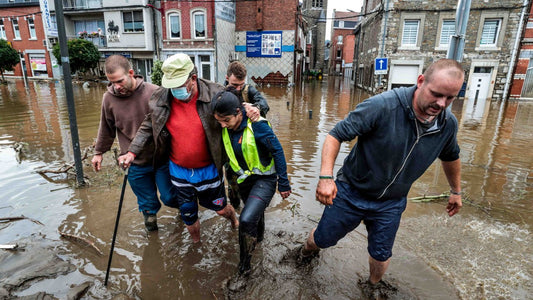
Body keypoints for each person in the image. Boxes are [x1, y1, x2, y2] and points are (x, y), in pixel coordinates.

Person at [300, 59, 464, 295]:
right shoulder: (383, 106)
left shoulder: (447, 124)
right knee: (322, 240)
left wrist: (456, 191)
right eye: (436, 94)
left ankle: (372, 287)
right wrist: (326, 177)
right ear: (420, 82)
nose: (441, 104)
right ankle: (305, 252)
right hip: (351, 191)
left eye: (450, 98)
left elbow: (451, 156)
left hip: (391, 202)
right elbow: (336, 135)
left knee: (381, 254)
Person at [119, 53, 238, 243]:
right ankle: (196, 246)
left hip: (209, 168)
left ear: (193, 78)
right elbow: (148, 125)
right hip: (179, 171)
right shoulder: (160, 98)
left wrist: (252, 109)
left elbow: (237, 113)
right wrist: (131, 152)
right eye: (171, 86)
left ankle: (234, 221)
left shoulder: (216, 93)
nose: (175, 91)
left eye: (179, 86)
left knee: (221, 209)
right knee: (189, 219)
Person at [211, 91, 291, 280]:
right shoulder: (226, 126)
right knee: (254, 214)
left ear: (239, 112)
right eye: (219, 121)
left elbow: (278, 151)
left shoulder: (258, 126)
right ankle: (260, 240)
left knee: (246, 219)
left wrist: (284, 182)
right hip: (244, 181)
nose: (222, 124)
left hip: (265, 180)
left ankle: (244, 269)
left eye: (226, 120)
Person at [91, 54, 176, 232]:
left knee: (170, 197)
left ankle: (187, 217)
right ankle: (152, 235)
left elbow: (173, 123)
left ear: (131, 73)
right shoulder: (109, 98)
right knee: (148, 204)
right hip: (134, 162)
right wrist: (98, 152)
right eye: (112, 82)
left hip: (161, 158)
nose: (117, 87)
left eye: (120, 81)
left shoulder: (155, 92)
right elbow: (106, 127)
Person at [224, 61, 270, 209]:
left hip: (248, 147)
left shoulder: (248, 91)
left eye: (241, 85)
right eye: (234, 85)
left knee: (251, 182)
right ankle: (235, 212)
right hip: (229, 147)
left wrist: (256, 108)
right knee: (232, 185)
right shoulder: (220, 91)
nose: (238, 89)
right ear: (226, 78)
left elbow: (264, 103)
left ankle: (251, 209)